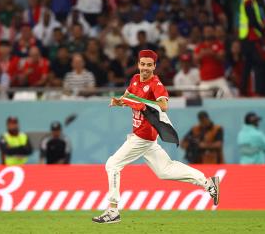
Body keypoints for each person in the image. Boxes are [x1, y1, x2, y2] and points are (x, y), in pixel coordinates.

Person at [92, 50, 219, 224]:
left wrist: (138, 102)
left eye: (149, 65)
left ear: (154, 66)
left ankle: (113, 210)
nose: (145, 68)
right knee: (165, 171)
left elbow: (163, 106)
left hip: (143, 137)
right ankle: (208, 182)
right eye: (142, 64)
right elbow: (128, 98)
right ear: (138, 64)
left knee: (112, 164)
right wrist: (119, 102)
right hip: (144, 137)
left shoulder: (155, 83)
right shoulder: (135, 79)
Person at [194, 24, 232, 98]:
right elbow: (195, 61)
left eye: (210, 31)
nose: (208, 33)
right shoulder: (200, 46)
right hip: (205, 80)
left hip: (219, 78)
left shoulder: (219, 44)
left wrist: (212, 54)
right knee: (204, 99)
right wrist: (201, 55)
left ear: (213, 32)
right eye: (206, 31)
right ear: (203, 33)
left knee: (228, 95)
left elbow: (222, 58)